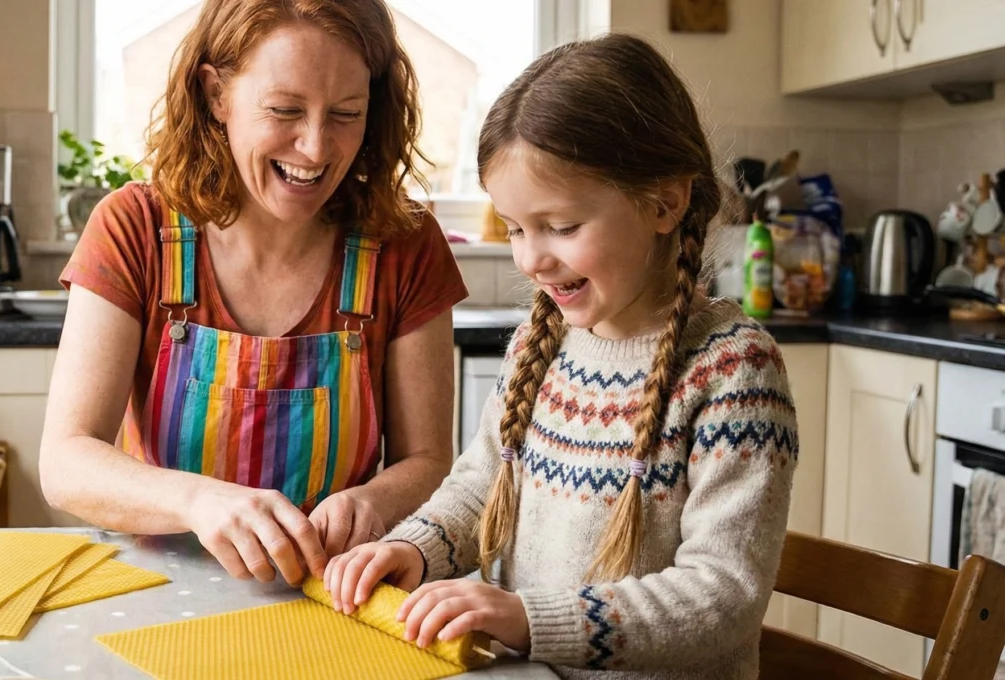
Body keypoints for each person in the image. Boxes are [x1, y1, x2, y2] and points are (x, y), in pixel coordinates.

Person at [323, 34, 798, 678]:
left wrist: (526, 618)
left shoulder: (732, 372)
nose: (531, 259)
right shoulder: (537, 346)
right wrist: (412, 549)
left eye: (562, 227)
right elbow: (479, 488)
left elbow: (723, 596)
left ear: (665, 201)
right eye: (516, 228)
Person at [40, 0, 468, 588]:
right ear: (217, 95)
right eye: (285, 110)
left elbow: (429, 464)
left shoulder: (405, 245)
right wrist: (199, 502)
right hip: (153, 591)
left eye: (346, 113)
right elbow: (66, 462)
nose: (316, 148)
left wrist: (375, 502)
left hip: (334, 594)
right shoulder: (134, 229)